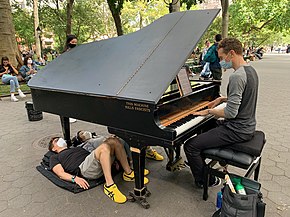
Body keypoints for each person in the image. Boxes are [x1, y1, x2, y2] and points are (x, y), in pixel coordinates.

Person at [184, 38, 259, 188]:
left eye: (221, 57)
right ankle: (199, 160)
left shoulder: (237, 76)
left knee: (190, 146)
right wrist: (221, 99)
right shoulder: (250, 70)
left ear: (231, 53)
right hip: (246, 125)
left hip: (237, 129)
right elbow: (244, 97)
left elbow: (231, 112)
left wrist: (208, 111)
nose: (220, 62)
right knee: (206, 125)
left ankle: (205, 180)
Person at [49, 135, 149, 204]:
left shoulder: (74, 148)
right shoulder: (54, 157)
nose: (60, 139)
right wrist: (74, 179)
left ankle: (128, 173)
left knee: (114, 141)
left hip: (94, 163)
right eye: (56, 140)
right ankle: (109, 186)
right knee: (104, 147)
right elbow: (60, 173)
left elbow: (93, 154)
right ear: (53, 148)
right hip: (84, 169)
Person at [62, 34, 78, 123]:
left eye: (76, 42)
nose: (74, 44)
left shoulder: (78, 51)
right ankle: (69, 115)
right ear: (68, 42)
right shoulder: (65, 53)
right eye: (72, 42)